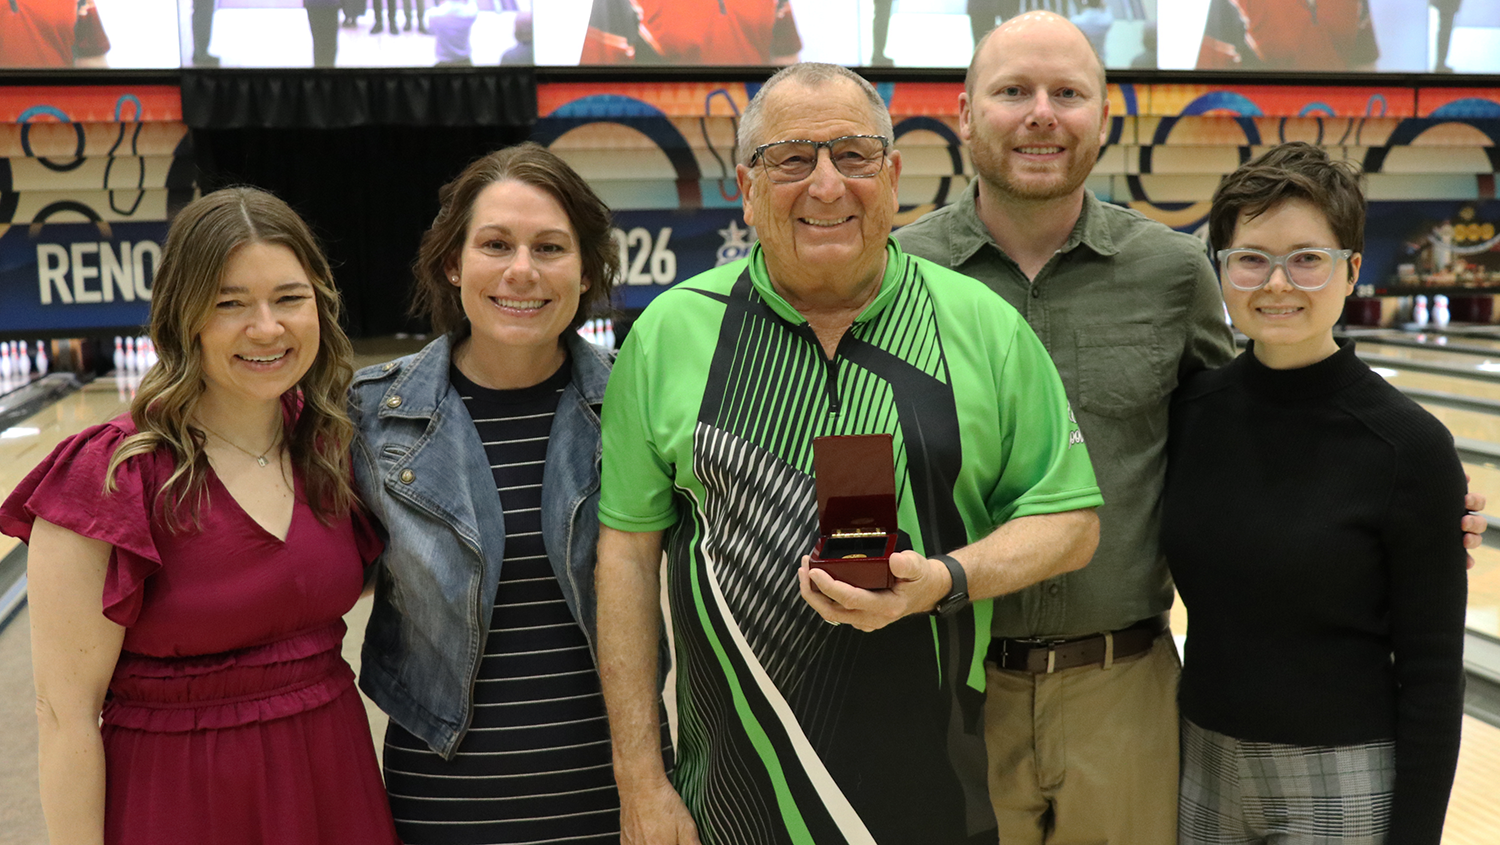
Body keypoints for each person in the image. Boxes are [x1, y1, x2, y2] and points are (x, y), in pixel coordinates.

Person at [895, 12, 1486, 844]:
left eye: (1068, 93)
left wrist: (1413, 499)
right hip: (949, 682)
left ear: (1105, 117)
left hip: (1125, 690)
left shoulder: (1170, 273)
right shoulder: (899, 276)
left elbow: (1260, 421)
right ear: (964, 111)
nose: (1041, 113)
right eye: (1012, 91)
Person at [595, 62, 1103, 845]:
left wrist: (945, 580)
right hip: (733, 804)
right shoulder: (670, 332)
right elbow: (627, 557)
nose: (827, 186)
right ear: (746, 185)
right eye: (792, 159)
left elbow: (1069, 518)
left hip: (941, 797)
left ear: (893, 173)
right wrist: (641, 782)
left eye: (854, 156)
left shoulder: (983, 324)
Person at [0, 187, 400, 845]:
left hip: (334, 778)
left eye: (289, 298)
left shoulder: (330, 447)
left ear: (320, 307)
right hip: (184, 799)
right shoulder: (109, 477)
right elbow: (63, 713)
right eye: (229, 303)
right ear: (184, 316)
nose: (267, 327)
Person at [351, 143, 668, 844]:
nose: (522, 269)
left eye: (550, 246)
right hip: (443, 805)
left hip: (621, 796)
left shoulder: (634, 402)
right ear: (451, 263)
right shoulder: (368, 417)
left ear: (586, 270)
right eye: (495, 244)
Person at [1165, 142, 1467, 844]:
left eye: (1307, 257)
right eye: (1251, 257)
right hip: (1201, 758)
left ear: (1352, 269)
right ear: (1222, 268)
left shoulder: (1408, 447)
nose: (1276, 283)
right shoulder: (1190, 411)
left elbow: (1431, 676)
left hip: (1342, 776)